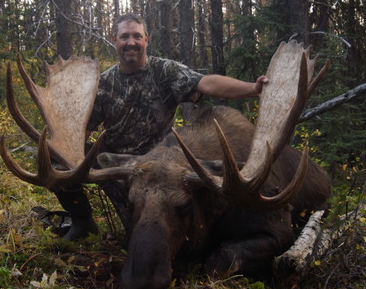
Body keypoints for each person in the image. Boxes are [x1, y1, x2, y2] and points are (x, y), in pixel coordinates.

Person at [35, 13, 268, 240]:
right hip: (118, 167)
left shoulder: (165, 72)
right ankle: (82, 223)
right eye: (124, 36)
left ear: (146, 39)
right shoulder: (103, 84)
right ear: (114, 40)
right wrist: (67, 151)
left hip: (159, 170)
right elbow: (82, 131)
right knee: (55, 158)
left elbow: (206, 83)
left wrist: (252, 89)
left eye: (137, 36)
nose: (131, 42)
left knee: (144, 236)